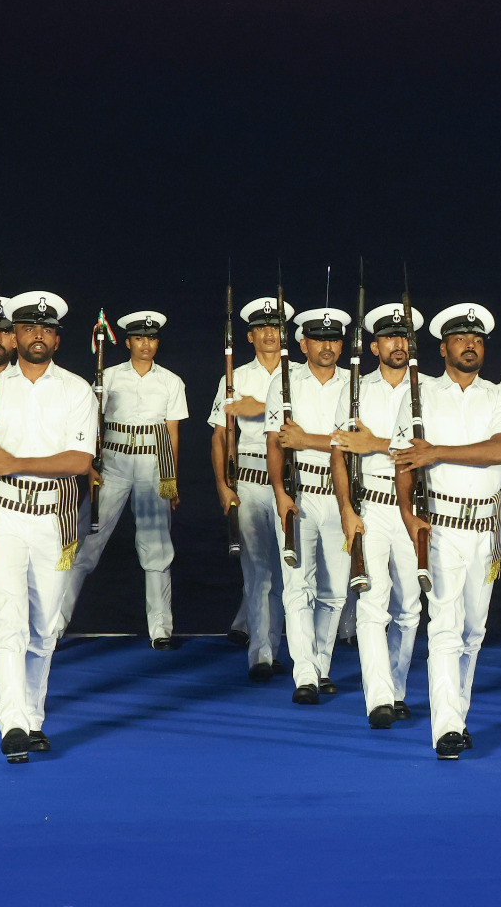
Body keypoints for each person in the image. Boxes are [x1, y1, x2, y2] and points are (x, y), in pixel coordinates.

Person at [0, 292, 95, 763]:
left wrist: (14, 462)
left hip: (54, 517)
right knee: (7, 622)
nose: (38, 336)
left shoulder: (76, 390)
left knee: (44, 626)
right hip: (4, 517)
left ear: (56, 338)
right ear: (15, 334)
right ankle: (13, 723)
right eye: (29, 328)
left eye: (47, 330)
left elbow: (79, 460)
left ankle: (33, 716)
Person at [395, 302, 501, 760]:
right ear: (443, 346)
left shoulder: (499, 396)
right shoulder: (419, 395)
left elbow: (499, 452)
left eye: (479, 339)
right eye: (462, 339)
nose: (471, 345)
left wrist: (437, 452)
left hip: (486, 528)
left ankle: (458, 715)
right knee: (445, 628)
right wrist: (409, 515)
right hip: (441, 525)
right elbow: (404, 460)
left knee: (474, 630)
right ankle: (446, 726)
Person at [65, 311, 185, 648]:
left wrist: (171, 479)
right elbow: (89, 424)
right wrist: (90, 468)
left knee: (157, 547)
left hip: (153, 459)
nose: (146, 344)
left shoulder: (171, 381)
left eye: (152, 338)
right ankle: (55, 623)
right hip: (114, 460)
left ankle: (161, 629)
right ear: (128, 342)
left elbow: (172, 433)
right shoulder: (109, 376)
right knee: (88, 542)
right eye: (139, 338)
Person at [332, 301, 425, 728]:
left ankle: (398, 687)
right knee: (372, 604)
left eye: (403, 336)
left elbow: (425, 450)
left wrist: (376, 444)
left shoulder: (429, 389)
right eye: (389, 337)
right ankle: (380, 698)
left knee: (410, 608)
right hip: (370, 504)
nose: (398, 344)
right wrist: (346, 510)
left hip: (414, 508)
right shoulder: (356, 389)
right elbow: (338, 452)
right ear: (374, 346)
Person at [268, 307, 356, 704]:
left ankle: (321, 665)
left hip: (341, 498)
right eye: (319, 339)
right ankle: (304, 672)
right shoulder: (283, 383)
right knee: (296, 586)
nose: (327, 346)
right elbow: (275, 441)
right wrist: (278, 492)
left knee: (336, 591)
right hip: (297, 492)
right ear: (303, 344)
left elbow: (351, 444)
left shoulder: (357, 386)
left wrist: (307, 440)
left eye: (334, 339)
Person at [208, 294, 294, 681]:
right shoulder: (236, 377)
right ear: (249, 336)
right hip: (251, 481)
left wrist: (259, 407)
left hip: (293, 483)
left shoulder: (301, 374)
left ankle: (285, 650)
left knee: (288, 572)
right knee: (259, 574)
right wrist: (224, 486)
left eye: (275, 327)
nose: (269, 335)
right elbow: (220, 435)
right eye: (261, 329)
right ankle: (261, 655)